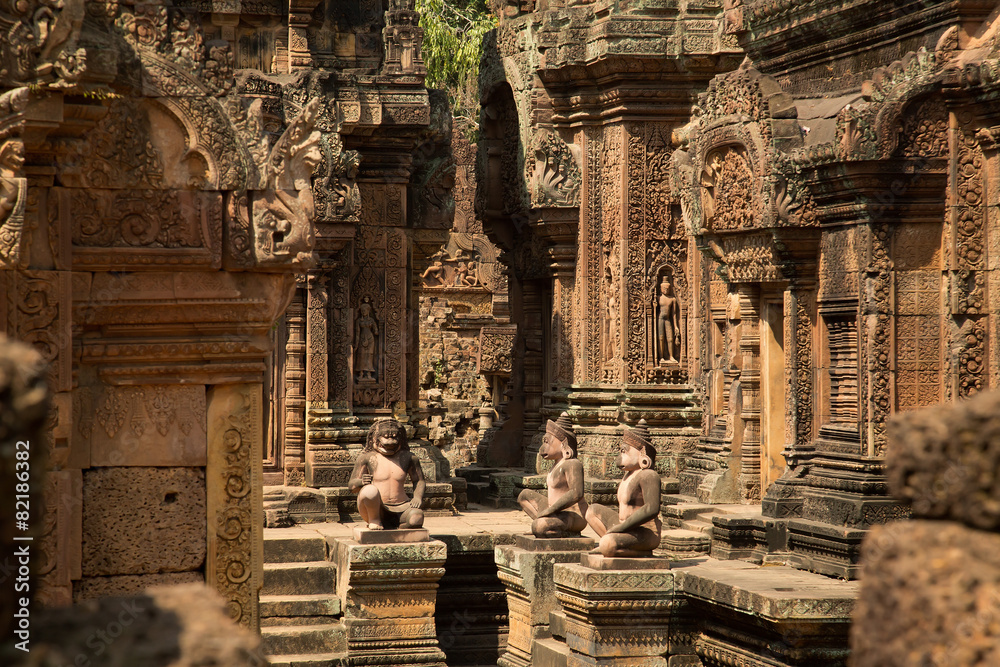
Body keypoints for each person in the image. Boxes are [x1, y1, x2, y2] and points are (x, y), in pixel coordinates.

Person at [585, 419, 661, 557]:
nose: (620, 456)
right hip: (624, 527)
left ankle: (618, 547)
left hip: (645, 531)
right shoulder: (628, 475)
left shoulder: (649, 475)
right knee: (592, 511)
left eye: (624, 451)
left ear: (641, 453)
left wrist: (619, 529)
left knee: (607, 543)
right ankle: (612, 544)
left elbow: (652, 509)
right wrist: (619, 528)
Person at [517, 413, 588, 537]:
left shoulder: (572, 463)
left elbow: (577, 493)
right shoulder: (556, 465)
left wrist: (550, 510)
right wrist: (550, 510)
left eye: (547, 442)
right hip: (556, 511)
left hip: (573, 514)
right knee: (523, 495)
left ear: (563, 443)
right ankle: (545, 522)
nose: (543, 448)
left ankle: (549, 525)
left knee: (539, 527)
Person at [348, 419, 425, 530]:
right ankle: (375, 520)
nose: (390, 442)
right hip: (377, 508)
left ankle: (395, 527)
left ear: (401, 438)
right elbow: (351, 486)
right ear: (375, 438)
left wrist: (417, 497)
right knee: (369, 490)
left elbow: (419, 480)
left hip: (403, 506)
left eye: (394, 437)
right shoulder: (367, 457)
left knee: (417, 518)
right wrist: (361, 482)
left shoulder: (409, 458)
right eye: (385, 437)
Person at [656, 278, 681, 364]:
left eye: (667, 288)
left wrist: (676, 326)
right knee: (661, 338)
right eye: (664, 288)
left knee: (670, 338)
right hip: (660, 319)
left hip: (667, 319)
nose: (666, 290)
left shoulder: (672, 299)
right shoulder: (658, 298)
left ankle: (671, 356)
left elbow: (674, 314)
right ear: (661, 289)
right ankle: (661, 356)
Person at [354, 300, 378, 381]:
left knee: (369, 356)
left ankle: (368, 373)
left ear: (368, 311)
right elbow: (357, 333)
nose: (363, 312)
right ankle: (361, 373)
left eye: (365, 310)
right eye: (362, 311)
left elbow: (376, 330)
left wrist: (376, 330)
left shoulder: (371, 320)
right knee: (361, 355)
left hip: (370, 339)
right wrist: (356, 345)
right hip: (361, 338)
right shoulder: (359, 321)